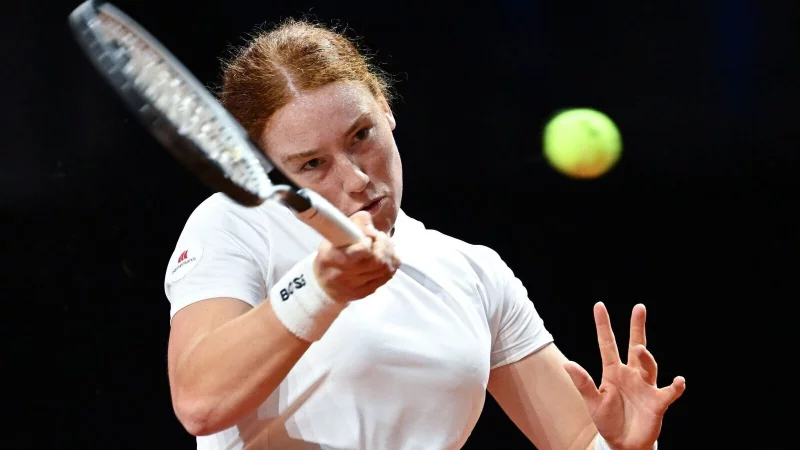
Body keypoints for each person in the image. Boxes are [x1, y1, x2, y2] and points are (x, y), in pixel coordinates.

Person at [163, 19, 685, 450]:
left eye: (361, 136)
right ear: (273, 172)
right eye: (313, 164)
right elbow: (200, 403)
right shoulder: (233, 225)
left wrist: (628, 447)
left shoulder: (473, 271)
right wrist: (322, 289)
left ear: (386, 108)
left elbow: (575, 440)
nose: (356, 178)